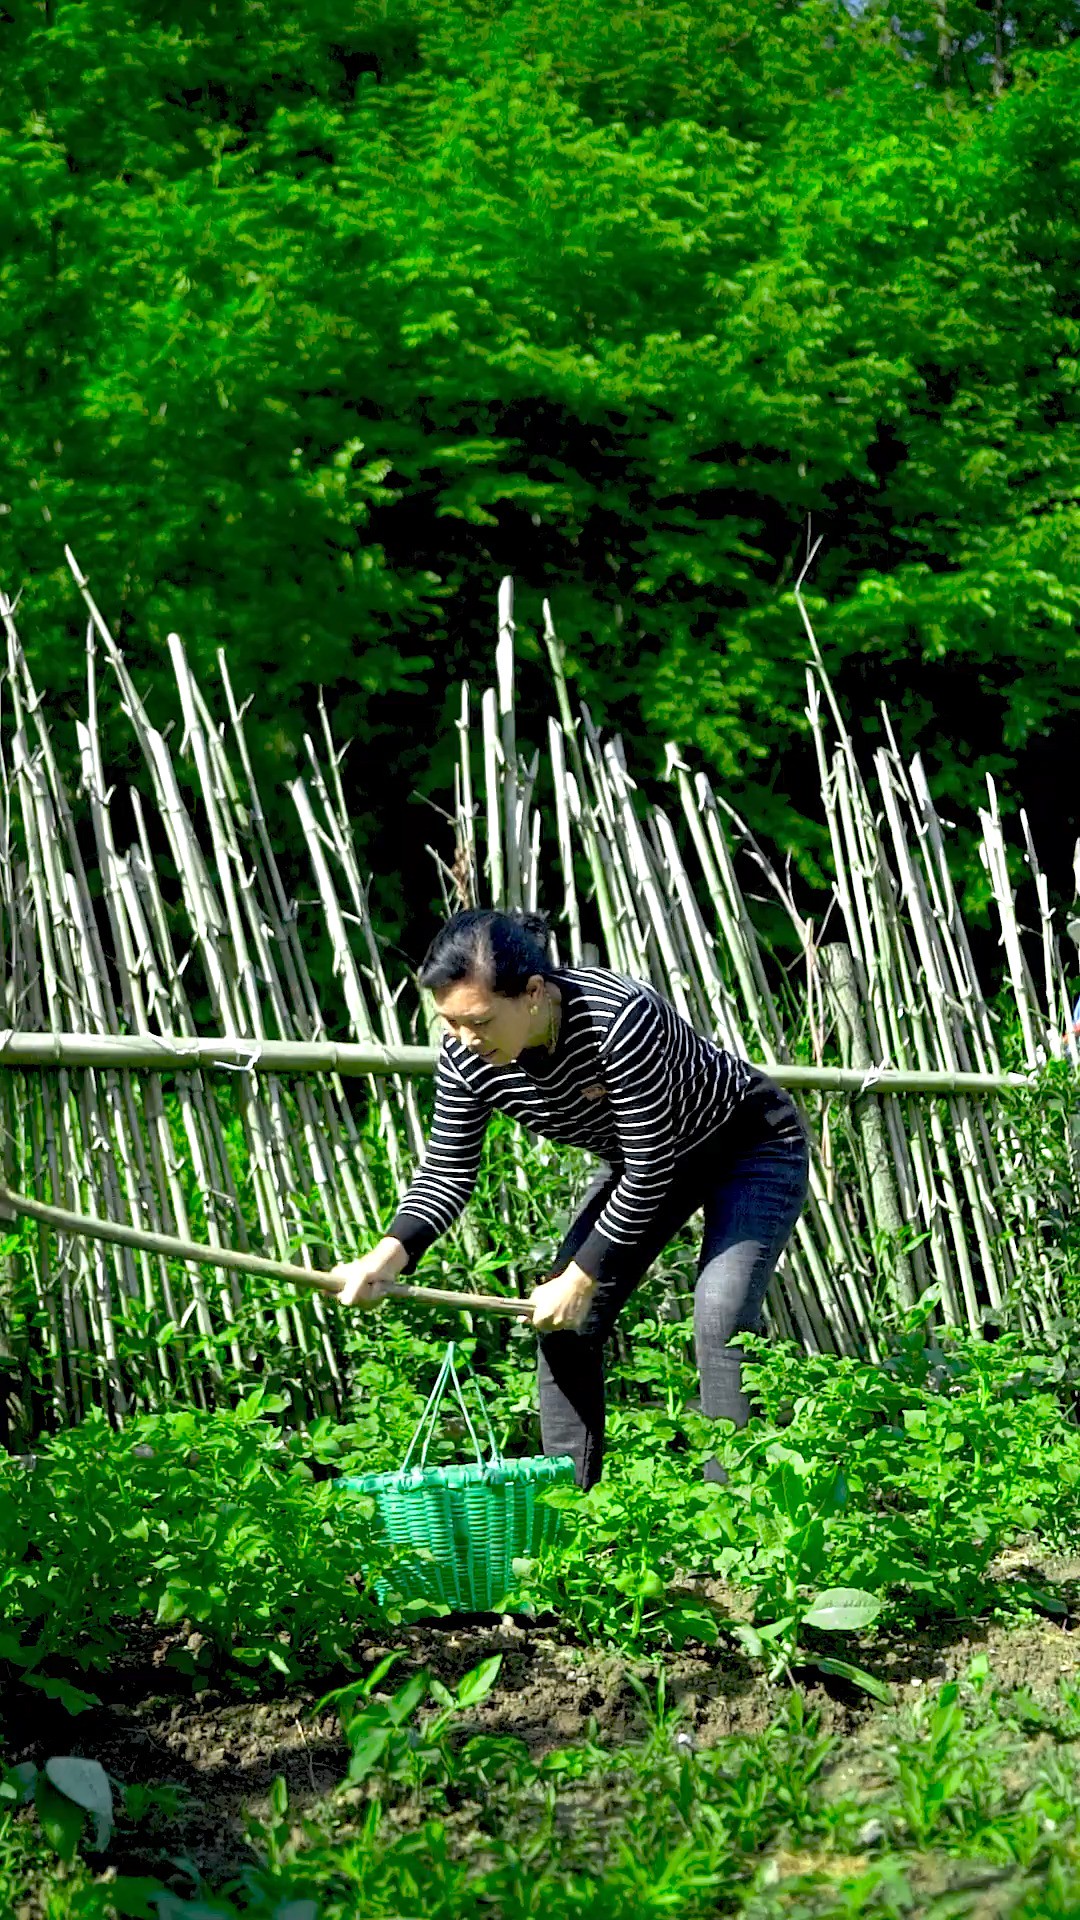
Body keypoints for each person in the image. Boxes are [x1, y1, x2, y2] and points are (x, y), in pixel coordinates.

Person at [331, 909, 809, 1489]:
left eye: (478, 1021)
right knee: (560, 1327)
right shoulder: (465, 1058)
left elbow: (652, 1163)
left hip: (748, 1145)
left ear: (533, 992)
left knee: (720, 1313)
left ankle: (736, 1515)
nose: (464, 1040)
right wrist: (385, 1259)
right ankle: (572, 1515)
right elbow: (447, 1174)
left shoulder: (619, 1019)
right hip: (647, 1164)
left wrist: (580, 1278)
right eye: (448, 1023)